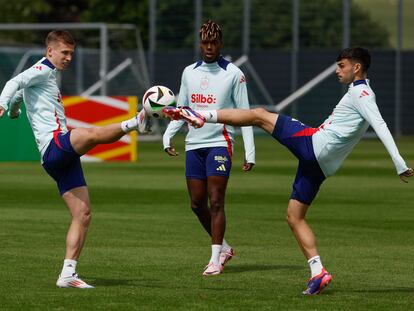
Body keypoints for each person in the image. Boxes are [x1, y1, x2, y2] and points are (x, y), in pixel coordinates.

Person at [163, 47, 413, 293]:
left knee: (260, 115)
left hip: (315, 144)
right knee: (294, 216)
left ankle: (199, 115)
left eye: (342, 66)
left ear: (356, 68)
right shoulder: (358, 93)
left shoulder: (362, 93)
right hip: (322, 165)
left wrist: (399, 162)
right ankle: (318, 272)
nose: (337, 70)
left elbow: (379, 124)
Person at [0, 30, 148, 288]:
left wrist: (13, 110)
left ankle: (68, 274)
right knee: (89, 134)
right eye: (64, 52)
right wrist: (2, 103)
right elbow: (14, 83)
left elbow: (20, 94)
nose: (68, 58)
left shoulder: (46, 75)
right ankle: (137, 121)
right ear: (50, 51)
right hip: (54, 146)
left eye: (71, 53)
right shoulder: (43, 70)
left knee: (83, 214)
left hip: (56, 158)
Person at [162, 20, 256, 276]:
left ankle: (215, 258)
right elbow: (181, 108)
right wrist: (168, 137)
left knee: (216, 201)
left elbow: (245, 114)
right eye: (205, 42)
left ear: (221, 44)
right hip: (194, 144)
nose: (209, 47)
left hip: (219, 144)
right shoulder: (189, 72)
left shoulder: (234, 74)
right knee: (196, 204)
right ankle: (225, 248)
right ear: (200, 43)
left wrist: (250, 151)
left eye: (214, 42)